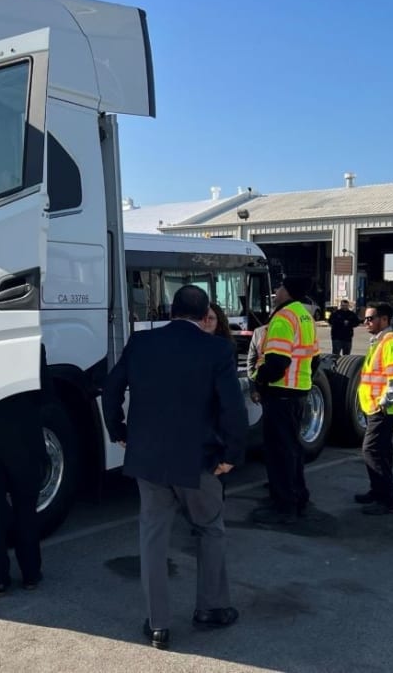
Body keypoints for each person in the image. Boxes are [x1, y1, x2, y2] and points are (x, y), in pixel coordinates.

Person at [102, 285, 248, 651]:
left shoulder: (141, 343)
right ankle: (211, 609)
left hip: (148, 461)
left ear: (171, 311)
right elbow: (233, 407)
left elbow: (111, 389)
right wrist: (232, 454)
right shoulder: (217, 349)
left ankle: (157, 625)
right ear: (204, 317)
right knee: (210, 530)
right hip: (200, 461)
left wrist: (119, 430)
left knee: (152, 539)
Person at [250, 276, 320, 525]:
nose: (276, 291)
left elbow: (277, 362)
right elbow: (315, 359)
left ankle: (284, 507)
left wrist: (259, 381)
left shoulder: (283, 317)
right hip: (298, 391)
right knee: (292, 450)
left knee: (279, 452)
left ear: (287, 291)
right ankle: (298, 497)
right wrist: (303, 381)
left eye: (279, 287)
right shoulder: (304, 315)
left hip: (280, 393)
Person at [0, 392, 46, 596]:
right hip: (24, 430)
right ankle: (31, 574)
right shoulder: (31, 357)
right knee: (26, 508)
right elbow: (45, 393)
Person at [355, 303, 393, 515]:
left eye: (370, 318)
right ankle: (377, 492)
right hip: (376, 408)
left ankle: (386, 500)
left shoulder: (391, 344)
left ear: (385, 319)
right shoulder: (379, 343)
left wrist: (382, 404)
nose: (366, 322)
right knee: (382, 451)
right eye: (365, 318)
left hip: (385, 410)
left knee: (371, 451)